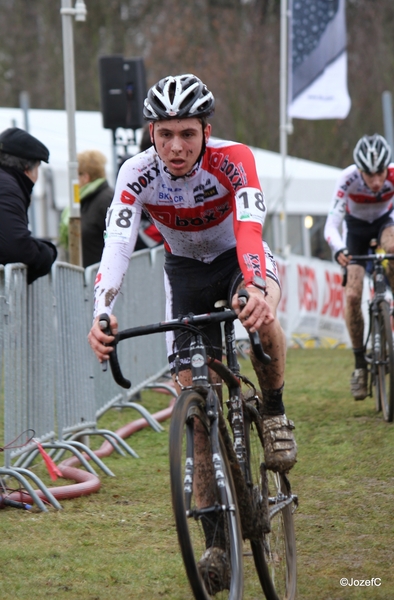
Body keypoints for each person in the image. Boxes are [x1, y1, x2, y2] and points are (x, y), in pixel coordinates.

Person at [88, 73, 297, 586]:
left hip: (235, 258)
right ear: (151, 132)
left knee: (261, 310)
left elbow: (250, 230)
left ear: (206, 129)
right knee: (196, 417)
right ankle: (216, 548)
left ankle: (273, 411)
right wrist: (102, 310)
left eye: (187, 133)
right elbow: (116, 245)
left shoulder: (234, 158)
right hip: (183, 273)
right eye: (165, 134)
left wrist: (253, 289)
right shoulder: (135, 173)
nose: (176, 146)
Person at [324, 133, 394, 400]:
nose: (377, 181)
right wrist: (339, 248)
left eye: (381, 174)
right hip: (355, 231)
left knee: (393, 247)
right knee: (352, 295)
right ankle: (360, 366)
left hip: (386, 222)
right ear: (360, 170)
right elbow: (331, 223)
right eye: (370, 175)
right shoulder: (348, 179)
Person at [0, 127, 57, 284]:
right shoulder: (7, 188)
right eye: (38, 167)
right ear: (27, 168)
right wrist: (45, 253)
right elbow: (14, 247)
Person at [59, 150, 114, 268]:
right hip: (89, 276)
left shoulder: (105, 200)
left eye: (75, 175)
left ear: (85, 177)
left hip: (101, 277)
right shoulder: (84, 200)